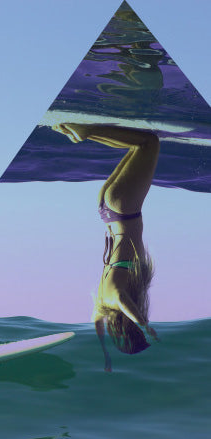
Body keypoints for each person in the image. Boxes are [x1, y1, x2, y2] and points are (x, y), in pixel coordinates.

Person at [54, 123, 159, 366]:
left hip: (125, 211)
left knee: (149, 143)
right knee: (137, 146)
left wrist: (144, 325)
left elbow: (124, 300)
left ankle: (85, 132)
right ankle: (78, 131)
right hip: (108, 211)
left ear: (130, 326)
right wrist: (105, 354)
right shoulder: (101, 305)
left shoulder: (116, 300)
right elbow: (96, 324)